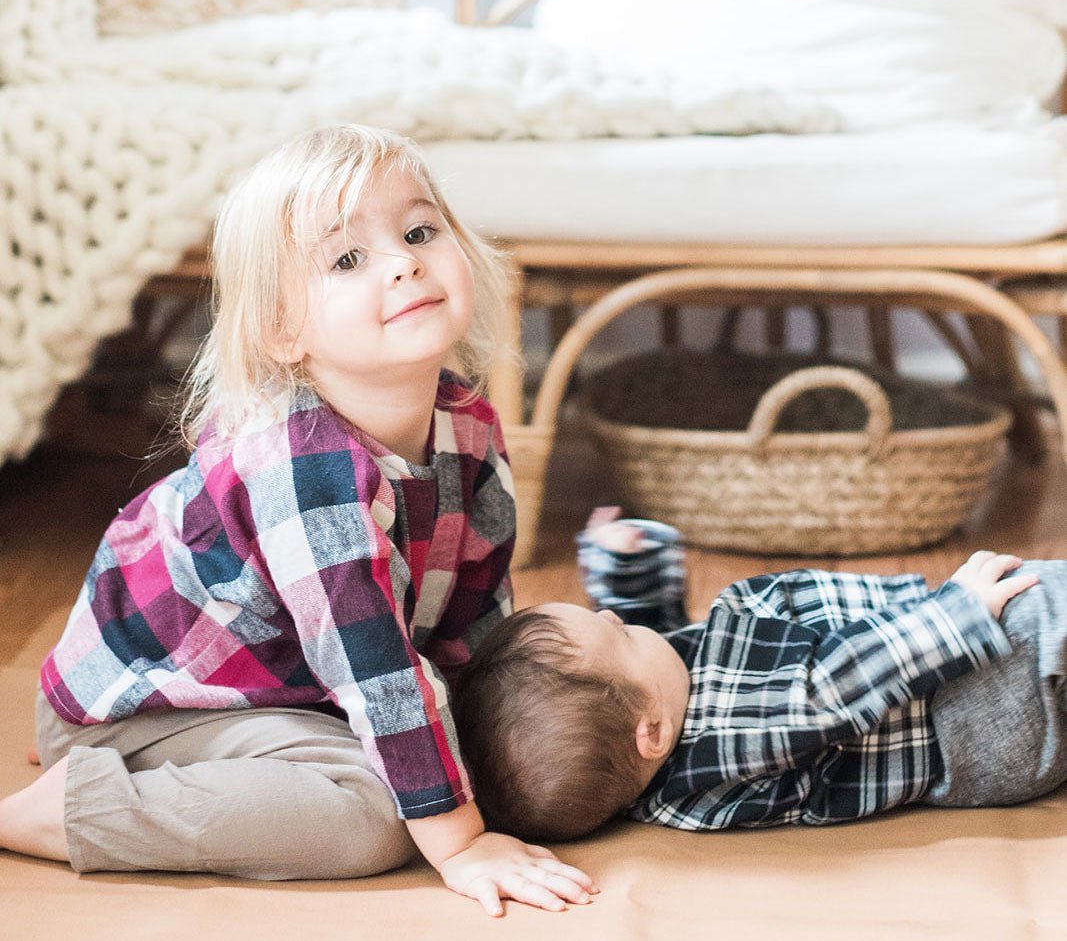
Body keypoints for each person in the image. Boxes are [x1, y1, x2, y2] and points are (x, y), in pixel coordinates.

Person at [0, 124, 596, 917]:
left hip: (287, 691)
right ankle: (67, 807)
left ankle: (159, 770)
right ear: (282, 330)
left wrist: (492, 748)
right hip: (160, 701)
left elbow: (471, 623)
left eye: (419, 231)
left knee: (458, 762)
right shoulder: (301, 465)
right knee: (375, 820)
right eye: (347, 259)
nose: (405, 261)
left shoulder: (468, 426)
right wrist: (460, 838)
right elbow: (377, 669)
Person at [453, 549, 1067, 842]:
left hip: (966, 707)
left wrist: (632, 580)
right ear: (651, 731)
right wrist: (955, 616)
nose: (615, 615)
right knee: (1041, 599)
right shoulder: (729, 727)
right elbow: (832, 687)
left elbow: (665, 652)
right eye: (617, 629)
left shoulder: (664, 744)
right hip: (971, 707)